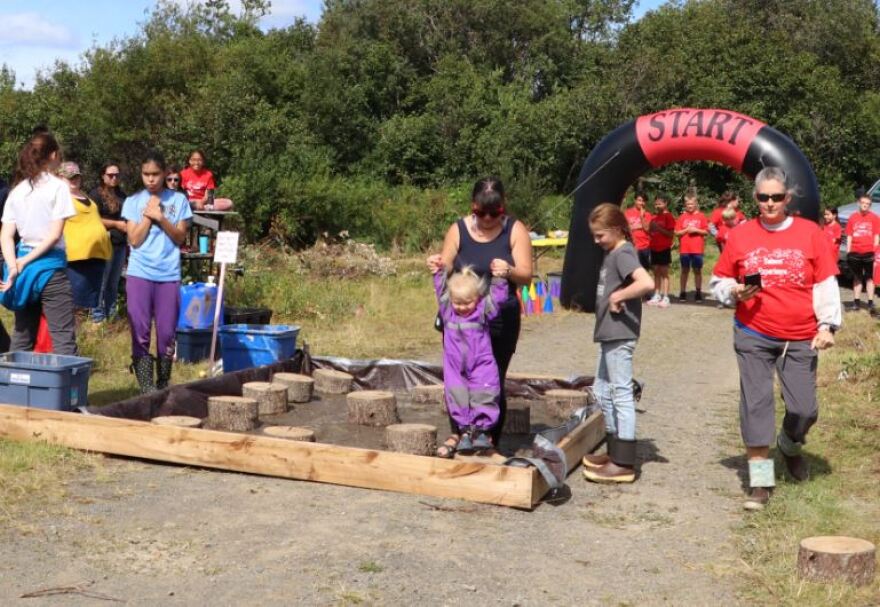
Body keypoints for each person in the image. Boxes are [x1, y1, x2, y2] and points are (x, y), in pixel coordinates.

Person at [709, 167, 840, 511]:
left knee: (803, 409)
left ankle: (790, 445)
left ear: (787, 198)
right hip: (753, 332)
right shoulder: (741, 235)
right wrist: (732, 290)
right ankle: (762, 481)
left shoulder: (811, 233)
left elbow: (825, 282)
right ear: (755, 198)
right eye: (763, 197)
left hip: (800, 337)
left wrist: (827, 326)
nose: (770, 203)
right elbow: (718, 280)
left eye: (776, 197)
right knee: (757, 406)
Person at [431, 177, 532, 455]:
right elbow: (447, 262)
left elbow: (526, 274)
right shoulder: (458, 228)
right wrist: (439, 264)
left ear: (503, 208)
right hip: (461, 316)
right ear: (473, 207)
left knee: (491, 378)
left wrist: (508, 271)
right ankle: (460, 433)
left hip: (499, 316)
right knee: (457, 376)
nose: (487, 219)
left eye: (494, 213)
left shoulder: (515, 229)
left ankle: (489, 438)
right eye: (481, 213)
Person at [581, 203, 654, 483]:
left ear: (616, 229)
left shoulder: (623, 252)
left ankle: (624, 461)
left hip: (619, 333)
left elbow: (646, 283)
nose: (596, 241)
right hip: (609, 334)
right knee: (602, 390)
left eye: (600, 235)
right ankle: (614, 451)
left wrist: (617, 297)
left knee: (620, 393)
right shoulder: (613, 251)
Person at [0, 131, 77, 354]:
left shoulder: (17, 191)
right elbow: (54, 236)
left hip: (23, 272)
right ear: (53, 155)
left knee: (22, 336)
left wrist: (14, 265)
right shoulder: (59, 187)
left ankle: (14, 387)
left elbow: (5, 235)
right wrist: (23, 262)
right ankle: (65, 389)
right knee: (63, 336)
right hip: (51, 269)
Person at [122, 150, 192, 393]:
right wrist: (148, 217)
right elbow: (134, 240)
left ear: (164, 174)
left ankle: (163, 383)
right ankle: (146, 386)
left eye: (155, 174)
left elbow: (180, 237)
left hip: (168, 274)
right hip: (140, 273)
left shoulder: (179, 200)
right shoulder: (132, 201)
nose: (150, 179)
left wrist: (161, 217)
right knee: (140, 330)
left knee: (166, 332)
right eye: (146, 174)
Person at [428, 264, 509, 456]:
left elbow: (498, 298)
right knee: (457, 395)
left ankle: (482, 430)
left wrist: (499, 279)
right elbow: (441, 292)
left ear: (478, 298)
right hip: (455, 365)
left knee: (485, 392)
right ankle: (464, 431)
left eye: (467, 302)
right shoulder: (448, 311)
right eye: (458, 303)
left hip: (481, 362)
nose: (462, 307)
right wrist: (437, 273)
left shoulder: (482, 311)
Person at [57, 162, 112, 316]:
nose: (74, 180)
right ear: (60, 178)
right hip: (76, 259)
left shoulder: (84, 195)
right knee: (73, 304)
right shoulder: (60, 198)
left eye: (77, 176)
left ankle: (77, 335)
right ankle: (68, 337)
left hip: (95, 256)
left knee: (85, 304)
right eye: (70, 177)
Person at [90, 162, 128, 322]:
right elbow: (93, 219)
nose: (114, 178)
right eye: (110, 175)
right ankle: (97, 317)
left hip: (120, 244)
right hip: (104, 243)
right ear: (102, 176)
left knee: (113, 282)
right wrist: (116, 224)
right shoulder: (96, 195)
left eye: (117, 175)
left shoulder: (122, 195)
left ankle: (111, 314)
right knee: (101, 282)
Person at [844, 194, 880, 312]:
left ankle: (870, 302)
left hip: (869, 252)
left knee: (870, 278)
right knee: (857, 278)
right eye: (863, 203)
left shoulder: (874, 218)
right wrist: (849, 251)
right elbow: (849, 235)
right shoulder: (852, 218)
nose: (865, 205)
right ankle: (856, 302)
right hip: (855, 252)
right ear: (859, 203)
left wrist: (874, 250)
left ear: (870, 205)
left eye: (868, 204)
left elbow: (876, 235)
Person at [675, 193, 709, 301]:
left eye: (692, 204)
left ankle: (698, 292)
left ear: (696, 204)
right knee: (684, 270)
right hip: (684, 249)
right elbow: (677, 233)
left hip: (697, 249)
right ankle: (682, 292)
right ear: (685, 205)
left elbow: (706, 231)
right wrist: (686, 230)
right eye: (688, 204)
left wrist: (696, 230)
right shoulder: (682, 217)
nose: (690, 206)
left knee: (697, 270)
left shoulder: (701, 216)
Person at [647, 194, 675, 307]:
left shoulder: (668, 216)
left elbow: (670, 234)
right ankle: (657, 294)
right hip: (654, 247)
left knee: (664, 273)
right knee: (656, 272)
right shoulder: (653, 218)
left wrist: (658, 228)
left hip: (664, 248)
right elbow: (650, 232)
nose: (657, 205)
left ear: (665, 204)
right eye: (656, 203)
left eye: (660, 203)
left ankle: (666, 297)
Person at [624, 192, 652, 269]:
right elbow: (624, 229)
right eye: (639, 200)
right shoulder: (627, 213)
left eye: (643, 201)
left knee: (644, 271)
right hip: (632, 246)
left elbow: (647, 229)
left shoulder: (648, 215)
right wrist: (638, 226)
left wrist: (642, 216)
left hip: (645, 246)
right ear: (635, 200)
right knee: (631, 271)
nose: (641, 203)